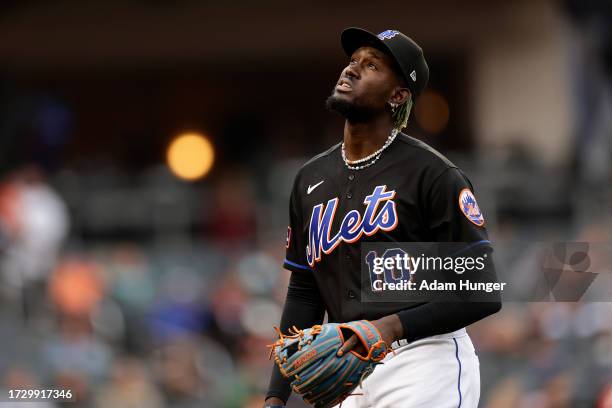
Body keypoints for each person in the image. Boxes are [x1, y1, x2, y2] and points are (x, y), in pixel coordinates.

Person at [264, 27, 501, 408]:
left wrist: (389, 327)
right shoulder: (311, 177)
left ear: (398, 95)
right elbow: (305, 291)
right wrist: (276, 396)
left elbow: (482, 291)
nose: (352, 70)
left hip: (423, 358)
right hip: (349, 369)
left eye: (371, 65)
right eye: (353, 61)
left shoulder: (433, 174)